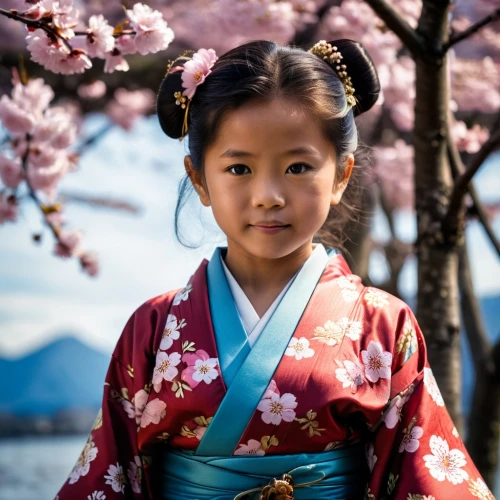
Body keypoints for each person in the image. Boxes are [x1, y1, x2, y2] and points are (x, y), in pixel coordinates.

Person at [55, 39, 491, 500]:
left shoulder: (384, 325)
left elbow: (424, 478)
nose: (268, 195)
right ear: (200, 178)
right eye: (239, 169)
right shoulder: (153, 328)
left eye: (299, 166)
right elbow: (111, 474)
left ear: (341, 176)